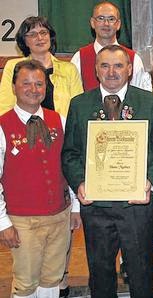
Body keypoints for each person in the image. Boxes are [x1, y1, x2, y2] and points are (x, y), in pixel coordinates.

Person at [62, 45, 153, 298]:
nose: (111, 72)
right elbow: (70, 153)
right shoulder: (80, 104)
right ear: (96, 70)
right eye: (105, 65)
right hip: (97, 206)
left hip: (137, 207)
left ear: (129, 69)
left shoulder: (149, 101)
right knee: (99, 274)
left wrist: (149, 182)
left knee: (141, 273)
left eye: (118, 65)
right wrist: (80, 183)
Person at [0, 16, 83, 297]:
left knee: (52, 278)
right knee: (25, 282)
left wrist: (74, 209)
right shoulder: (3, 126)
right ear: (14, 87)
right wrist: (3, 222)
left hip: (58, 215)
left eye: (39, 84)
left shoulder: (58, 120)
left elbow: (68, 164)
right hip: (22, 219)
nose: (33, 89)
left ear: (46, 88)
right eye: (26, 84)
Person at [0, 16, 83, 117]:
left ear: (50, 37)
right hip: (23, 129)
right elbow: (5, 107)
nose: (40, 38)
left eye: (43, 32)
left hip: (61, 129)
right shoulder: (13, 66)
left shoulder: (69, 69)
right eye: (33, 34)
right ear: (24, 41)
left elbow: (78, 108)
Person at [70, 1, 151, 92]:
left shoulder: (134, 59)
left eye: (111, 19)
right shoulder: (79, 58)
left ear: (118, 24)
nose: (106, 23)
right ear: (92, 23)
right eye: (101, 18)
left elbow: (141, 97)